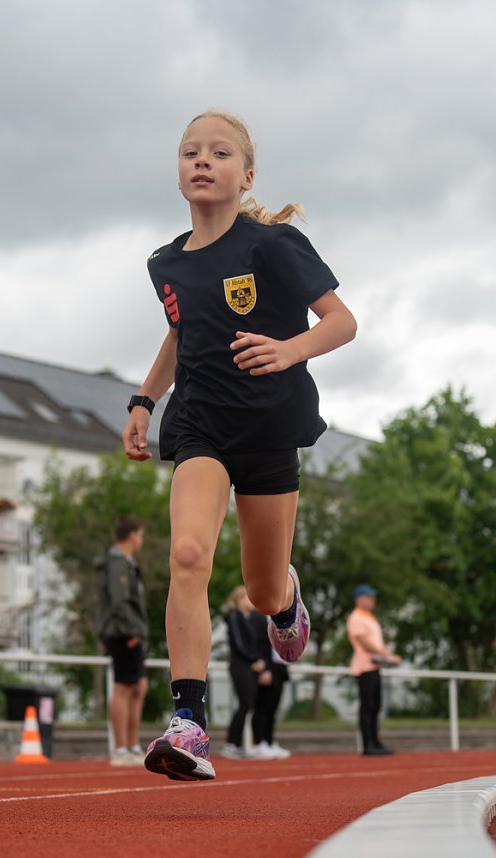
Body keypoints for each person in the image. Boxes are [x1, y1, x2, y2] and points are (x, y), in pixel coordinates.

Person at [123, 109, 357, 781]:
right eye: (190, 152)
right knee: (190, 552)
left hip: (268, 427)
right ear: (179, 171)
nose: (202, 161)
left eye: (219, 153)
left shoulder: (274, 245)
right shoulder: (165, 262)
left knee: (258, 590)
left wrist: (290, 350)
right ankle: (189, 724)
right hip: (199, 423)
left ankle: (285, 601)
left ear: (244, 174)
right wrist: (144, 401)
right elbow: (181, 334)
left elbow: (342, 322)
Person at [96, 516, 149, 766]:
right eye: (140, 534)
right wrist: (131, 632)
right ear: (132, 535)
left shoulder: (126, 562)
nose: (142, 539)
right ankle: (120, 749)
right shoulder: (117, 563)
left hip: (132, 629)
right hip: (122, 631)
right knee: (124, 687)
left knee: (138, 686)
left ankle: (132, 745)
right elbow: (119, 601)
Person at [346, 584, 401, 756]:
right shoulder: (356, 617)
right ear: (359, 599)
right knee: (367, 706)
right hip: (365, 667)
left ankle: (375, 741)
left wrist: (386, 656)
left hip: (375, 666)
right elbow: (364, 642)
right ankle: (367, 744)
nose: (372, 601)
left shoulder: (370, 617)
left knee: (375, 706)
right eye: (369, 597)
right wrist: (387, 655)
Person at [221, 586, 266, 760]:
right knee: (244, 703)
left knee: (247, 704)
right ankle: (231, 744)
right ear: (238, 599)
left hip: (248, 666)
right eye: (247, 598)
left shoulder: (249, 618)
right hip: (240, 666)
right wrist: (254, 659)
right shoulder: (234, 616)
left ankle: (236, 744)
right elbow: (240, 643)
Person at [250, 609, 291, 760]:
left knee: (273, 708)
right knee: (262, 707)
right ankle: (259, 743)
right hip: (267, 667)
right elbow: (256, 644)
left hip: (280, 666)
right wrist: (264, 669)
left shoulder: (283, 616)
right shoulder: (258, 617)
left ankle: (269, 740)